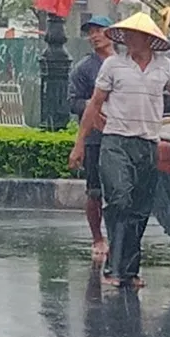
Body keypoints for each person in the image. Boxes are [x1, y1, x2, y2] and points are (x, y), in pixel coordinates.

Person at [68, 12, 170, 289]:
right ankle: (114, 269)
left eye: (133, 34)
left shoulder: (166, 67)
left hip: (148, 143)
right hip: (116, 143)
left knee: (139, 210)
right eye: (125, 34)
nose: (127, 38)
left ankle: (129, 270)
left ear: (149, 39)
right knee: (119, 201)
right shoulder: (113, 66)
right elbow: (94, 105)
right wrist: (79, 143)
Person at [68, 15, 114, 261]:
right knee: (95, 190)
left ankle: (119, 238)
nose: (95, 36)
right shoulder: (84, 68)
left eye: (100, 30)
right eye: (91, 32)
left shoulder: (124, 63)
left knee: (120, 191)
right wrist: (91, 107)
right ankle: (97, 237)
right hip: (95, 137)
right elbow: (72, 101)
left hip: (122, 135)